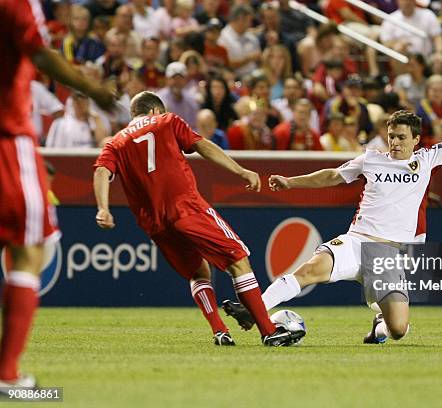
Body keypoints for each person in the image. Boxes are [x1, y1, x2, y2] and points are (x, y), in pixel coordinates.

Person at [223, 79, 442, 345]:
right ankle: (255, 310)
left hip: (392, 254)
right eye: (391, 136)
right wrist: (291, 182)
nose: (395, 142)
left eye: (402, 137)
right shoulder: (371, 160)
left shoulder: (426, 160)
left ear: (416, 139)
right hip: (356, 241)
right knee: (310, 269)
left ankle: (381, 323)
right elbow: (332, 176)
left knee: (398, 329)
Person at [93, 91, 304, 348]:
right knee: (238, 260)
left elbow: (102, 170)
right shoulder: (167, 121)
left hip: (155, 223)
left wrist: (103, 208)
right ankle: (269, 331)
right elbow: (202, 145)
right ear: (155, 111)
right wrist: (240, 170)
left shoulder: (115, 142)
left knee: (198, 272)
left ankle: (219, 330)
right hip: (186, 207)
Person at [0, 0, 115, 390]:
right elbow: (39, 52)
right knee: (30, 249)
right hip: (7, 137)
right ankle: (7, 376)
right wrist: (91, 89)